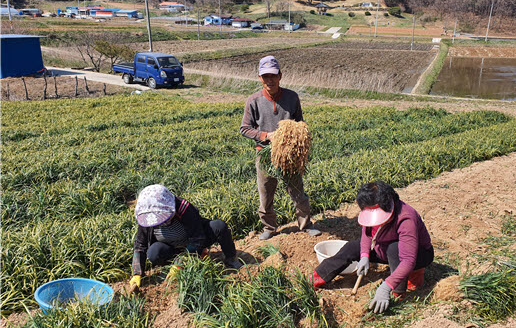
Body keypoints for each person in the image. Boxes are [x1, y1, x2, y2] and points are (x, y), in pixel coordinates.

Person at [311, 181, 434, 314]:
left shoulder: (406, 218)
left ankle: (399, 293)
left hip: (416, 255)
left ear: (389, 205)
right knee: (352, 247)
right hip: (384, 247)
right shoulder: (372, 208)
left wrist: (386, 287)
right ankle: (316, 278)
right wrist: (364, 256)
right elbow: (367, 232)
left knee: (394, 249)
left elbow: (408, 260)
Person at [240, 55, 320, 240]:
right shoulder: (253, 101)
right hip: (266, 154)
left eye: (273, 76)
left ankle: (306, 224)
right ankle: (269, 227)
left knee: (297, 191)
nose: (270, 80)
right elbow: (245, 129)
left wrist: (299, 137)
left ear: (280, 76)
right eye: (266, 76)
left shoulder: (292, 97)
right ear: (260, 78)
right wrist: (266, 136)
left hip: (289, 155)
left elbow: (300, 122)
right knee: (266, 193)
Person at [129, 184, 243, 292]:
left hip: (193, 241)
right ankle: (173, 263)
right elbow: (140, 245)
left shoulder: (184, 208)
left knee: (219, 226)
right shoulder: (146, 216)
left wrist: (181, 263)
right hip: (171, 247)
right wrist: (137, 273)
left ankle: (230, 258)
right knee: (154, 253)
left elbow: (198, 238)